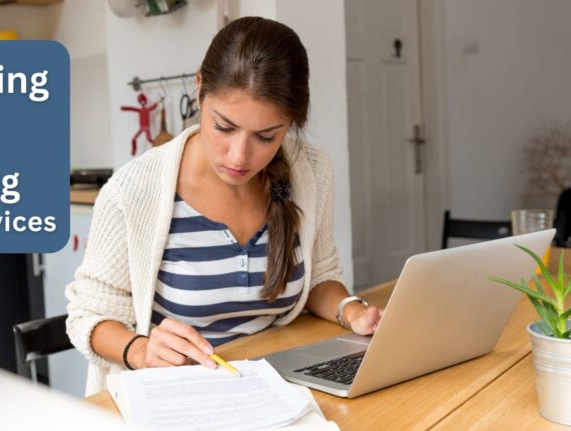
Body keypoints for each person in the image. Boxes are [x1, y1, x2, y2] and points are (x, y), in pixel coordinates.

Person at [66, 16, 383, 396]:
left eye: (266, 137)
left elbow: (319, 277)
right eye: (224, 127)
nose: (240, 156)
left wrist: (352, 311)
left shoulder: (308, 172)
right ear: (199, 90)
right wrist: (140, 350)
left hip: (277, 385)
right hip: (177, 394)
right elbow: (88, 316)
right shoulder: (135, 192)